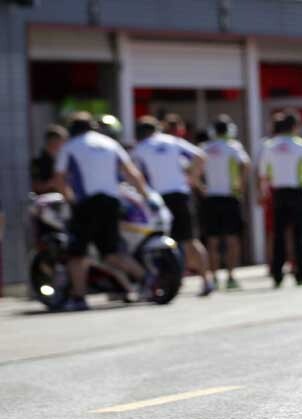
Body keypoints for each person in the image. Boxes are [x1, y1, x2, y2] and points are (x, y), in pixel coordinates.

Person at [52, 112, 153, 311]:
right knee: (111, 253)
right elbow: (132, 173)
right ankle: (148, 278)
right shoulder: (110, 143)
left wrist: (69, 199)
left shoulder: (71, 146)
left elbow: (59, 178)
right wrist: (147, 197)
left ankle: (79, 297)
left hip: (86, 204)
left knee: (77, 254)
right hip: (111, 203)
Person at [132, 116, 214, 296]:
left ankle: (173, 279)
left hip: (157, 199)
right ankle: (206, 280)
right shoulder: (173, 141)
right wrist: (192, 178)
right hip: (180, 195)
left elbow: (136, 175)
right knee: (190, 239)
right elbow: (200, 156)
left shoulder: (140, 149)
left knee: (162, 241)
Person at [259, 109, 302, 287]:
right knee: (299, 234)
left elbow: (263, 174)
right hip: (297, 192)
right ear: (295, 126)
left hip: (277, 194)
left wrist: (265, 191)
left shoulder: (269, 145)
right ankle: (300, 274)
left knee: (278, 234)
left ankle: (277, 274)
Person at [197, 115, 251, 289]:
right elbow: (246, 164)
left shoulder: (204, 148)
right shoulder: (233, 147)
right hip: (230, 197)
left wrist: (201, 187)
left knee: (212, 240)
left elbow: (192, 170)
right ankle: (230, 276)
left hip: (210, 198)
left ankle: (213, 277)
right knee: (232, 239)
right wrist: (241, 186)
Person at [31, 125, 68, 194]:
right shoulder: (38, 162)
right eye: (62, 141)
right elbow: (35, 187)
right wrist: (53, 182)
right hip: (46, 201)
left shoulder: (64, 160)